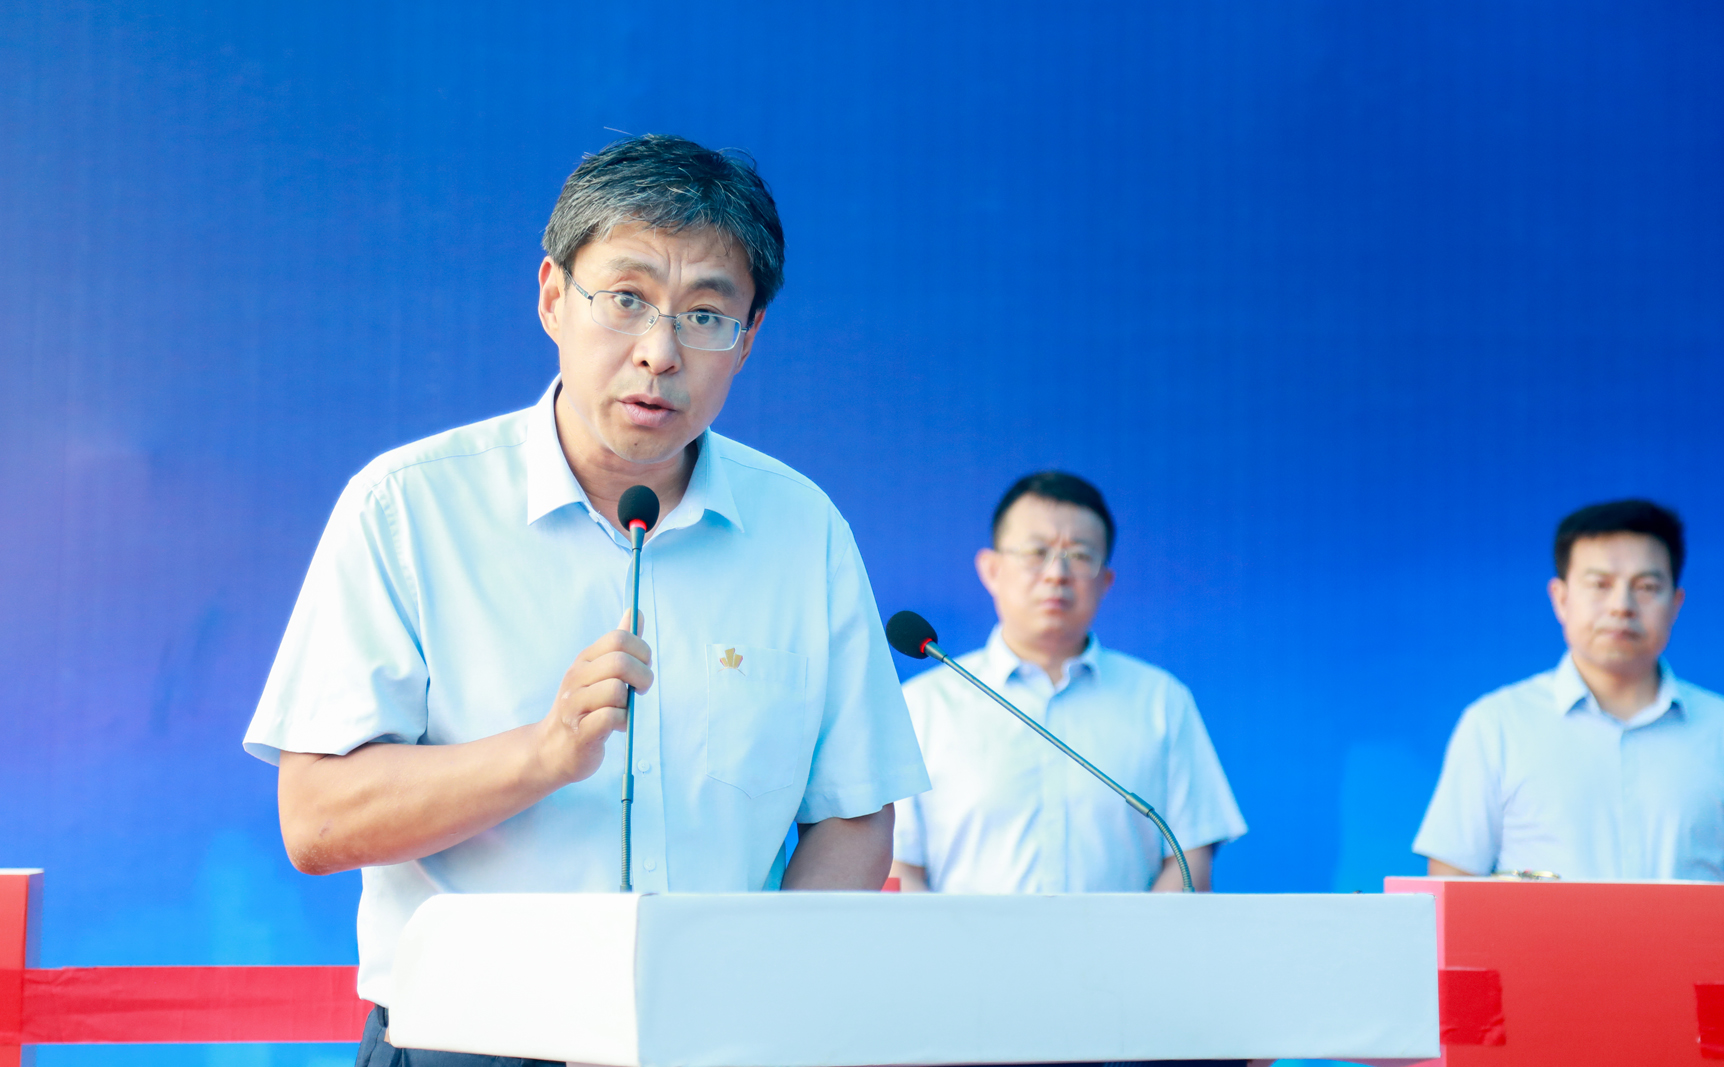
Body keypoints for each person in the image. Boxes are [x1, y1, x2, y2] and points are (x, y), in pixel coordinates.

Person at [243, 135, 930, 1065]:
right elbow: (316, 821)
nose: (660, 353)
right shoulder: (408, 508)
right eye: (627, 299)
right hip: (466, 1043)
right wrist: (543, 753)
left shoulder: (803, 531)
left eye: (705, 315)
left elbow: (852, 810)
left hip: (720, 1044)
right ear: (552, 297)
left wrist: (764, 1006)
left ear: (748, 338)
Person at [890, 472, 1246, 894]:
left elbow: (1189, 861)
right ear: (991, 569)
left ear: (1105, 581)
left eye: (1079, 555)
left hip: (1126, 941)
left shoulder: (1161, 700)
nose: (1057, 574)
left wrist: (1141, 941)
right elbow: (898, 868)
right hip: (959, 940)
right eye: (1036, 552)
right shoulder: (923, 707)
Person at [1414, 499, 1724, 881]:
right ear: (1561, 599)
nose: (1621, 606)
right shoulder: (1497, 725)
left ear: (1675, 604)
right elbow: (1451, 881)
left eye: (1646, 587)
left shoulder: (1718, 730)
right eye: (1600, 585)